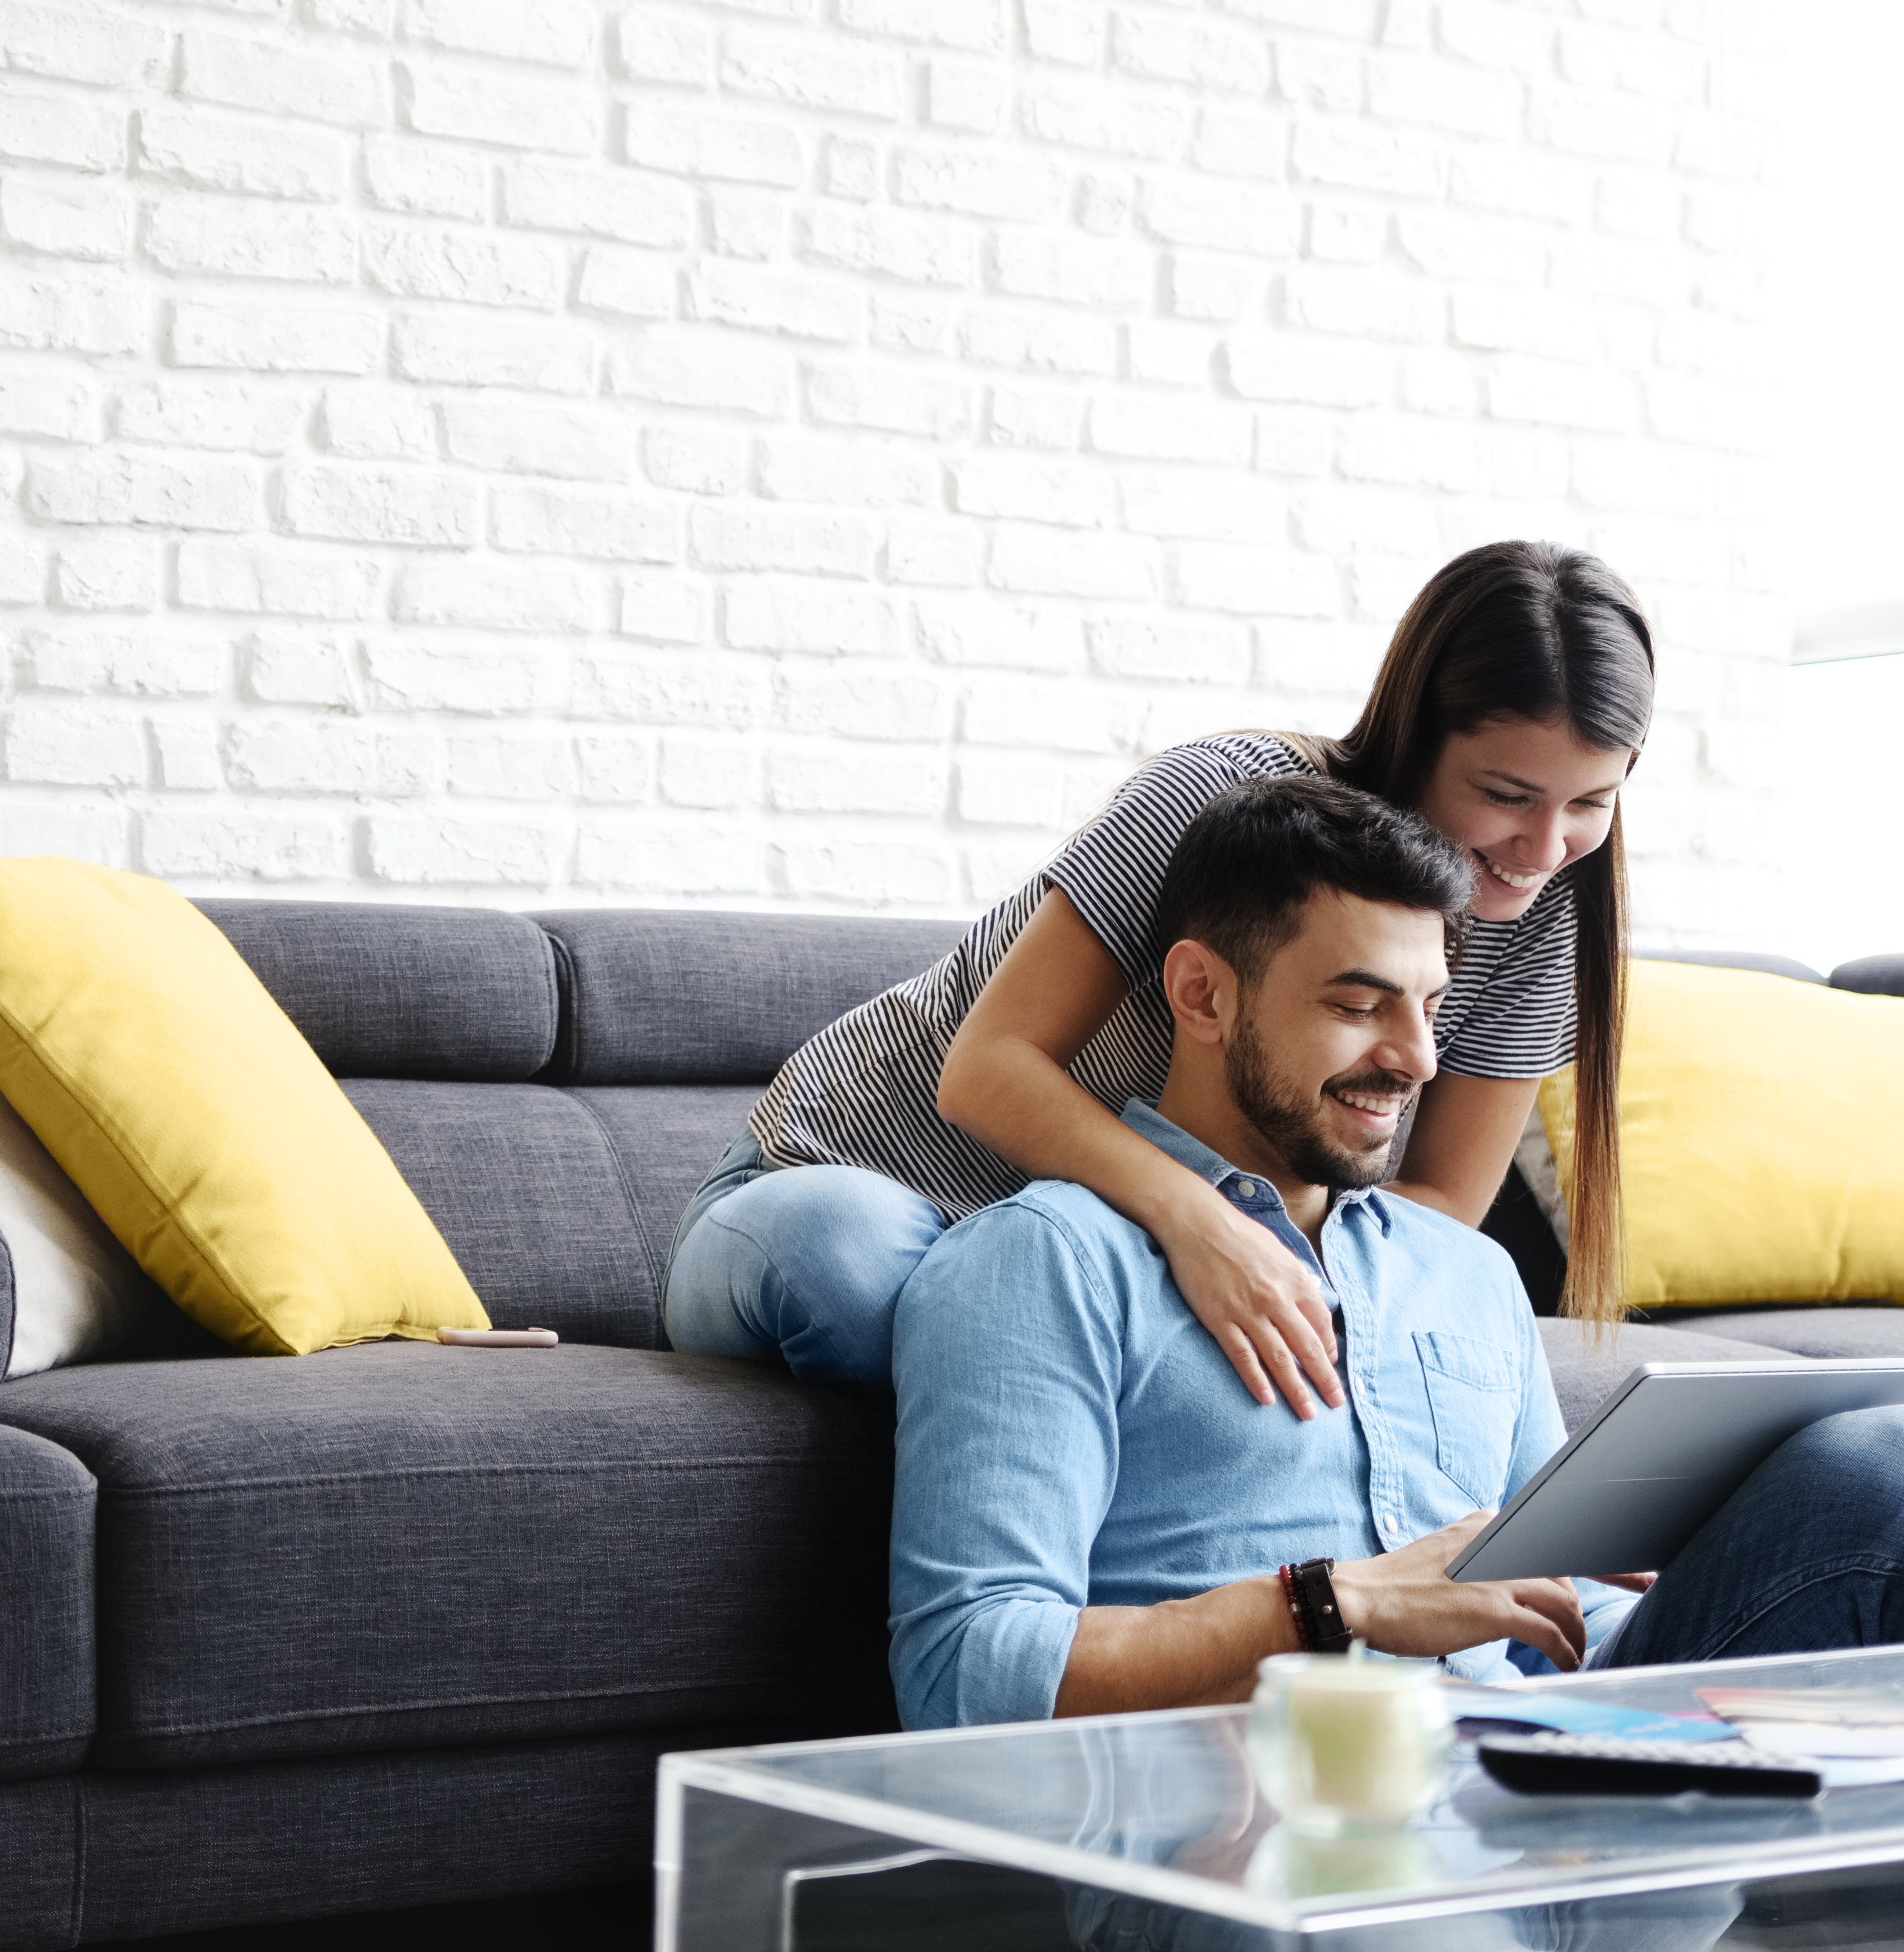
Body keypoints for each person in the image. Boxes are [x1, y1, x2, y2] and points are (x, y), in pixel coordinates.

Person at [889, 778, 1904, 1952]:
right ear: (1202, 992)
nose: (1412, 1055)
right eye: (1356, 1002)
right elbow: (964, 1673)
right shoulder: (1043, 1261)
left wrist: (1654, 1563)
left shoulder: (1460, 1269)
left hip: (1573, 1789)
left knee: (1903, 1461)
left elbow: (1543, 1599)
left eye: (1431, 1006)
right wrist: (1331, 1604)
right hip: (1283, 1843)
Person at [664, 539, 1649, 1401]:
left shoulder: (1545, 922)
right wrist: (1204, 1228)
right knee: (857, 1268)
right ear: (1417, 732)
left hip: (1101, 1270)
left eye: (1591, 804)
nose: (1545, 845)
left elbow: (1435, 1214)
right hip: (864, 1189)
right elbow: (988, 1070)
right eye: (1508, 794)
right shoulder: (1222, 799)